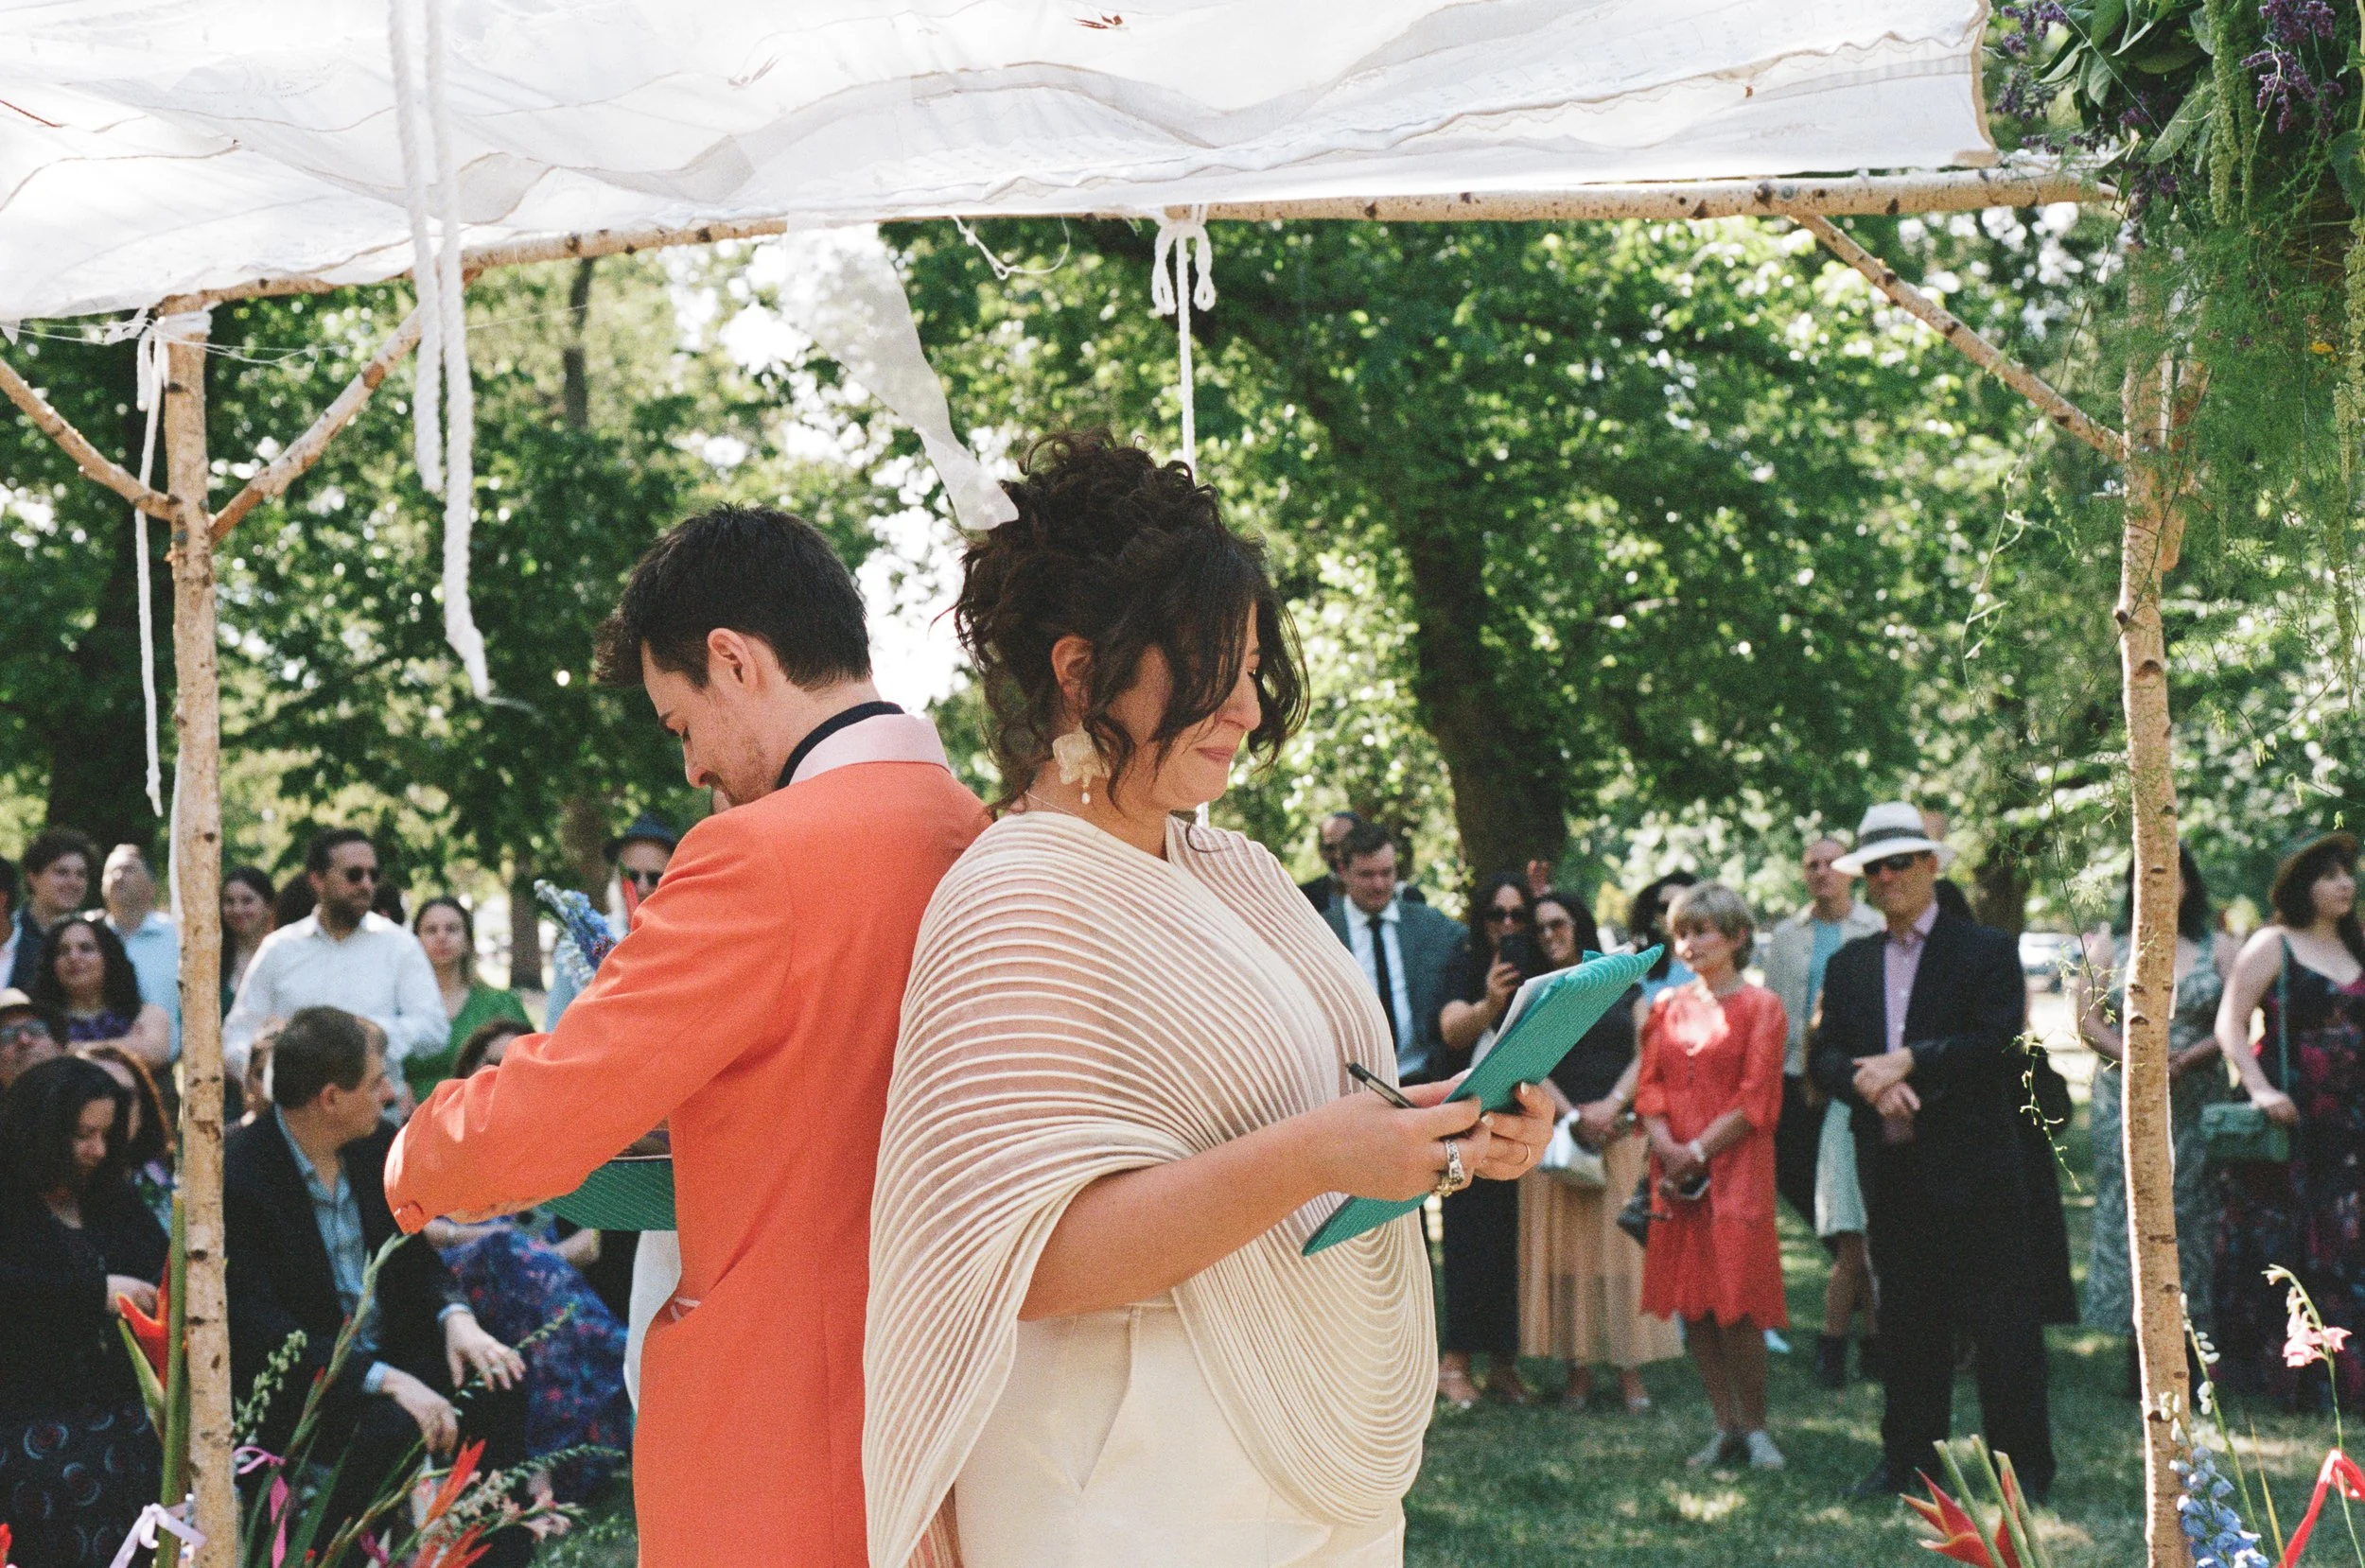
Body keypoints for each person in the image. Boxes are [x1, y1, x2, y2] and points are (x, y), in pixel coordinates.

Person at [864, 429, 1554, 1568]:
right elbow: (1023, 1265)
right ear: (1080, 674)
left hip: (1307, 1439)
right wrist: (1312, 1158)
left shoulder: (1235, 868)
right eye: (1206, 668)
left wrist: (1452, 1129)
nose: (1243, 705)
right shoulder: (1012, 893)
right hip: (1125, 1474)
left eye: (1247, 665)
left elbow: (1324, 1112)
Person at [385, 502, 990, 1568]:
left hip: (774, 1425)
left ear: (734, 660)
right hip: (954, 1407)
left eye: (681, 725)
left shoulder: (754, 856)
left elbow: (544, 1114)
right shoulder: (978, 830)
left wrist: (411, 1151)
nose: (691, 771)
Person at [224, 1007, 533, 1565]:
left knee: (497, 1378)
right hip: (306, 1377)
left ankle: (494, 1556)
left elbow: (413, 1261)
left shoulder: (375, 1146)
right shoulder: (239, 1175)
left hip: (389, 1351)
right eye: (375, 1081)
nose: (389, 1092)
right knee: (387, 1429)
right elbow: (260, 1329)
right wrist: (385, 1380)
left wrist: (456, 1319)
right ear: (331, 1098)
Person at [1812, 801, 2056, 1502]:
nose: (1887, 877)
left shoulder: (1984, 950)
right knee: (1907, 1327)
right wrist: (1867, 1081)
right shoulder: (1853, 962)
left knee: (2004, 1331)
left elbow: (1997, 1043)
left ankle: (2022, 1474)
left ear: (1930, 865)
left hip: (1977, 1172)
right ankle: (1906, 1461)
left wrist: (1908, 1062)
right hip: (1891, 1171)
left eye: (1900, 863)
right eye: (1874, 867)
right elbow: (1824, 1053)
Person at [424, 1017, 632, 1504]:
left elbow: (591, 1243)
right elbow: (413, 1223)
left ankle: (543, 1474)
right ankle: (548, 1467)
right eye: (491, 1063)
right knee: (501, 1249)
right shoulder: (443, 1132)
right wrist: (484, 1239)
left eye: (517, 1064)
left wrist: (529, 1263)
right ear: (468, 1066)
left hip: (537, 1280)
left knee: (521, 1282)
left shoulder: (563, 1139)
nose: (502, 1075)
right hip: (456, 1271)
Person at [1634, 882, 1789, 1471]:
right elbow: (1648, 1087)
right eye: (1680, 933)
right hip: (1673, 1173)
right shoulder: (1665, 1007)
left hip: (1735, 1170)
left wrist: (1695, 1149)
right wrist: (1667, 1147)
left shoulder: (1762, 1008)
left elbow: (1757, 1102)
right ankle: (1724, 1424)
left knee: (1739, 1301)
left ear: (1737, 936)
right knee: (1692, 1303)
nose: (1689, 944)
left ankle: (1756, 1428)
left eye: (1701, 931)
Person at [2211, 830, 2365, 1403]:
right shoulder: (2272, 944)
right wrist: (2257, 1089)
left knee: (2347, 1239)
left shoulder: (2358, 945)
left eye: (2348, 873)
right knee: (2283, 1243)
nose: (2345, 884)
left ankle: (2343, 1378)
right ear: (2302, 886)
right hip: (2290, 1116)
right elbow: (2230, 1023)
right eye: (2329, 875)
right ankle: (2281, 1376)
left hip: (2351, 1121)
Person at [0, 1054, 166, 1568]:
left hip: (120, 1413)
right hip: (28, 1415)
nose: (96, 1150)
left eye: (105, 1135)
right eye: (81, 1135)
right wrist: (92, 1292)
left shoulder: (109, 1198)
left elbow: (160, 1266)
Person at [2076, 846, 2233, 1389]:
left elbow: (2236, 1020)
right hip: (2124, 1101)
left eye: (2174, 876)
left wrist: (2189, 1058)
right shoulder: (2110, 946)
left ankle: (2192, 1349)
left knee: (2193, 1214)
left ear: (2189, 883)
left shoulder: (2217, 947)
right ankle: (2134, 1350)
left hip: (2197, 1097)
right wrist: (2138, 1059)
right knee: (2130, 1215)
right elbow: (2088, 1020)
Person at [1522, 889, 1680, 1411]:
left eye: (1558, 924)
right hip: (1560, 1138)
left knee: (1623, 1258)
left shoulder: (1621, 985)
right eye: (1540, 928)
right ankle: (1578, 1373)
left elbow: (1650, 1052)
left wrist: (1611, 1106)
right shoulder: (1539, 992)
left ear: (1580, 926)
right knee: (1568, 1262)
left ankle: (1630, 1373)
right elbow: (1530, 1062)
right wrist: (1572, 1116)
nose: (1550, 935)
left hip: (1621, 1134)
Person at [1761, 835, 1883, 1388]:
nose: (1821, 872)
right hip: (1792, 1082)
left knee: (1853, 1208)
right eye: (1811, 864)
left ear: (1851, 872)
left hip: (1849, 1081)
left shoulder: (1874, 930)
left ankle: (1858, 1305)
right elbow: (1774, 1017)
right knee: (1808, 1193)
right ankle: (1863, 1289)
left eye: (1831, 863)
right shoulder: (1785, 938)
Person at [1432, 870, 1539, 1406]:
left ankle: (1504, 1364)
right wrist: (1489, 1005)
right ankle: (1454, 1365)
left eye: (1519, 915)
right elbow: (1451, 1029)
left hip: (1524, 1116)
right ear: (1481, 918)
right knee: (1469, 1239)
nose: (1508, 925)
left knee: (1513, 1246)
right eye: (1498, 915)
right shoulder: (1467, 960)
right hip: (1468, 1117)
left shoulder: (1540, 964)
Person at [221, 830, 445, 1087]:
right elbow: (237, 1034)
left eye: (373, 875)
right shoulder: (280, 948)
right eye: (354, 875)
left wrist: (362, 1037)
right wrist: (270, 1077)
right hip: (296, 1113)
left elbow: (433, 1030)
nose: (366, 885)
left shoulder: (399, 945)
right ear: (317, 880)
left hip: (375, 1114)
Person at [1324, 820, 1464, 1085]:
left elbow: (1477, 939)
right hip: (1354, 1085)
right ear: (1343, 871)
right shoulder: (1323, 931)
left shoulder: (1428, 924)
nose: (1378, 885)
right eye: (1367, 875)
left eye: (1386, 873)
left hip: (1424, 1076)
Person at [402, 897, 532, 1101]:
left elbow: (527, 1067)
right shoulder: (398, 1007)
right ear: (415, 941)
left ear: (467, 941)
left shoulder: (500, 1003)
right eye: (431, 930)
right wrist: (397, 1084)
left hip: (482, 1116)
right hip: (410, 1121)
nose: (441, 937)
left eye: (452, 929)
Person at [30, 915, 170, 1069]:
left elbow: (153, 1052)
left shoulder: (148, 1014)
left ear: (108, 958)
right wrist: (125, 1047)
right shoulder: (36, 1021)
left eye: (86, 948)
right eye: (63, 951)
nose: (74, 957)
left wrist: (68, 1050)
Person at [76, 1043, 175, 1230]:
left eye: (125, 1096)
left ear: (143, 1107)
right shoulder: (58, 1193)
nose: (114, 1107)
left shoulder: (170, 1175)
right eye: (98, 1093)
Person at [100, 845, 179, 1058]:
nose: (117, 877)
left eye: (128, 870)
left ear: (151, 886)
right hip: (96, 1066)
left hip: (160, 1069)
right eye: (110, 871)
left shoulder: (176, 936)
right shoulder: (90, 939)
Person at [8, 828, 97, 992]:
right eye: (62, 872)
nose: (73, 882)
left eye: (81, 874)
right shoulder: (9, 935)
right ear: (33, 877)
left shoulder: (94, 941)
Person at [1630, 871, 1699, 1002]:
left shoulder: (1721, 962)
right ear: (1654, 916)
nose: (1673, 914)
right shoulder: (1637, 972)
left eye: (1683, 906)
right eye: (1665, 907)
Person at [220, 865, 277, 1017]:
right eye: (229, 901)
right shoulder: (212, 962)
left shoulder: (283, 955)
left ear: (269, 907)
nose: (237, 909)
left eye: (247, 901)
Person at [0, 986, 67, 1089]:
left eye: (35, 1029)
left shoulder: (91, 1099)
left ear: (59, 1047)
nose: (24, 1041)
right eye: (7, 1035)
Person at [1299, 810, 1362, 913]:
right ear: (1321, 851)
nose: (1339, 855)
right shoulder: (1303, 898)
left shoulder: (1384, 891)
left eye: (1346, 845)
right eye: (1331, 848)